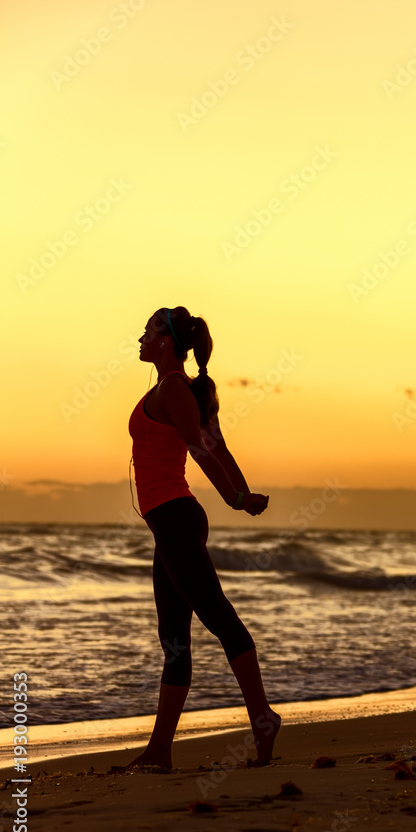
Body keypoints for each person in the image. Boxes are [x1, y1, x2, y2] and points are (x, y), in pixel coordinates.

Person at [125, 305, 280, 770]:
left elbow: (200, 447)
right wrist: (242, 491)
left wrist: (235, 497)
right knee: (174, 638)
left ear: (166, 342)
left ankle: (262, 717)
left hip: (175, 519)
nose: (140, 337)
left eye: (148, 331)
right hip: (171, 523)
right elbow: (219, 444)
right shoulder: (182, 390)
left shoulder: (174, 388)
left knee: (219, 618)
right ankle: (159, 751)